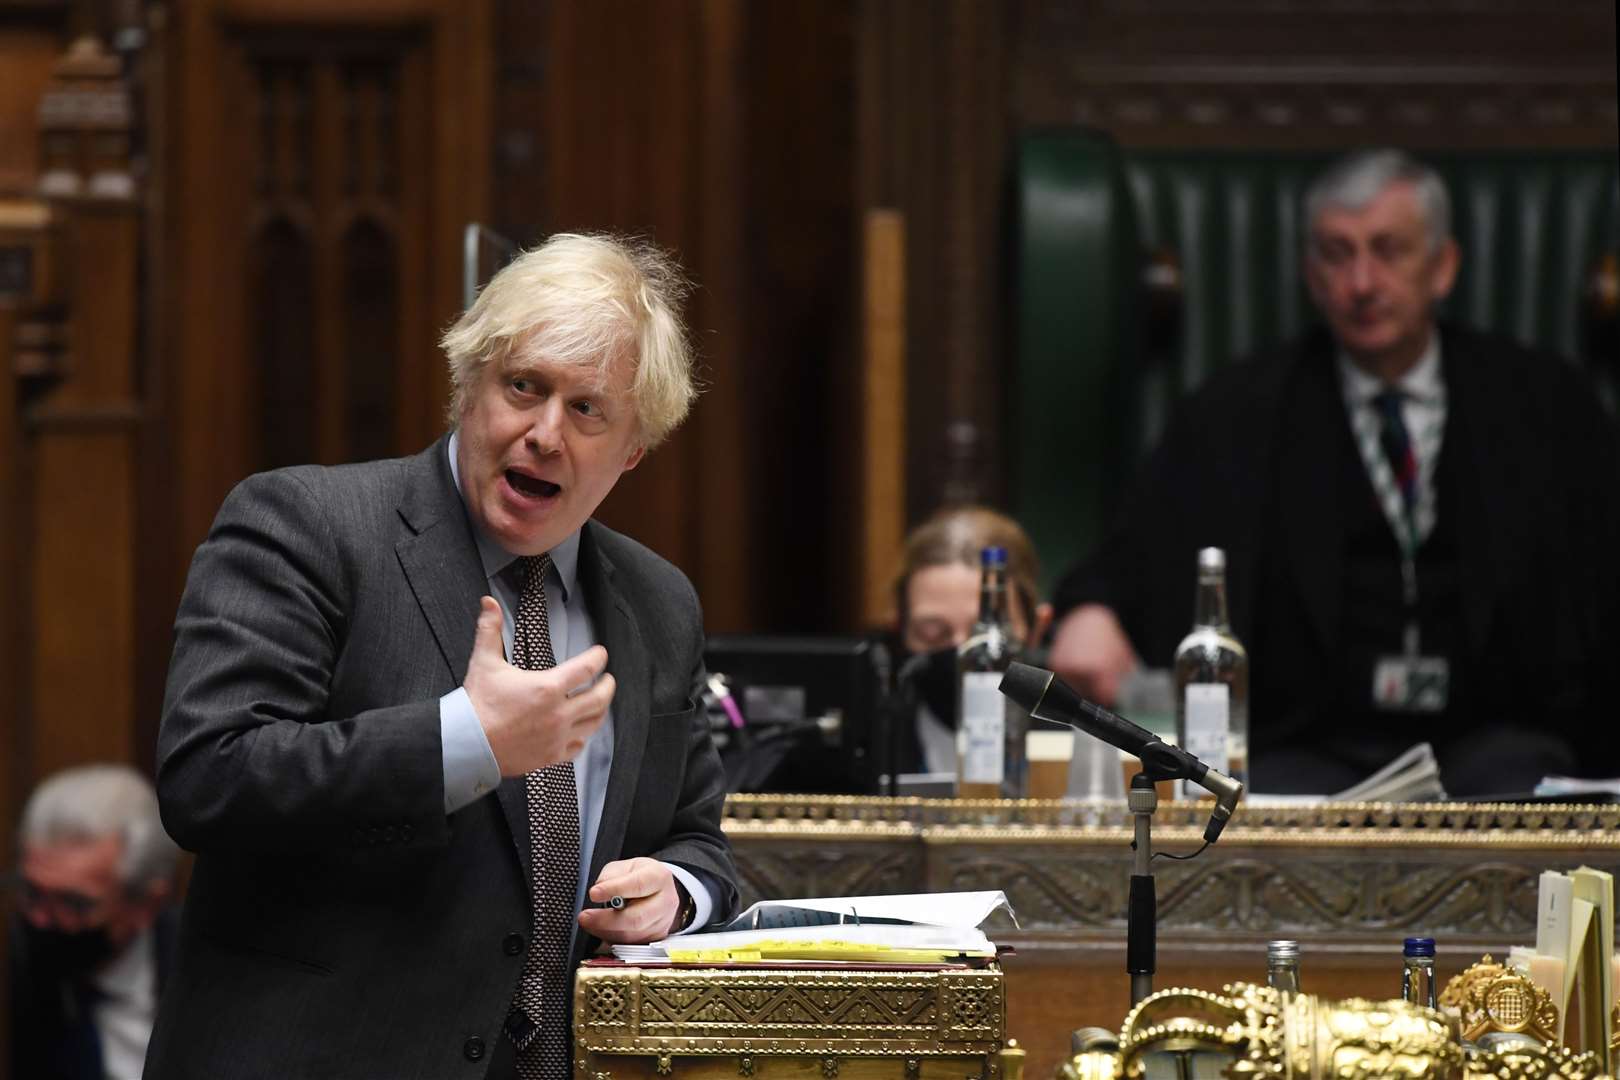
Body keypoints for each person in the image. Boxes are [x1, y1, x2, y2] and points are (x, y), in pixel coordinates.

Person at [144, 233, 739, 1079]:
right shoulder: (307, 525)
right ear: (468, 387)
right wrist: (464, 741)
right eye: (523, 387)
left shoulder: (658, 602)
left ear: (634, 448)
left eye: (586, 410)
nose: (542, 434)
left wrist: (678, 895)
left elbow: (697, 840)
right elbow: (209, 778)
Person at [1047, 148, 1620, 796]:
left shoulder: (1543, 405)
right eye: (1337, 254)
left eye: (1387, 250)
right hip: (1306, 744)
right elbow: (1131, 557)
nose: (1362, 282)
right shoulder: (1235, 413)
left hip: (1493, 738)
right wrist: (1091, 609)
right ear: (1310, 275)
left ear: (1443, 266)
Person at [9, 764, 180, 1080]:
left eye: (75, 904)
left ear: (147, 904)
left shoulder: (206, 972)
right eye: (33, 893)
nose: (41, 919)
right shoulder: (15, 971)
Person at [889, 505, 1052, 774]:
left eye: (987, 634)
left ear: (1037, 628)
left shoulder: (1075, 752)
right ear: (900, 629)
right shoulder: (870, 753)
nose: (964, 652)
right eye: (933, 633)